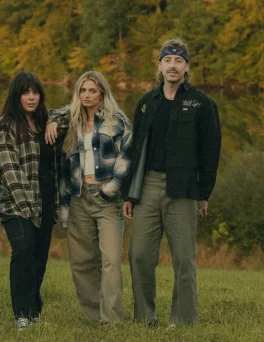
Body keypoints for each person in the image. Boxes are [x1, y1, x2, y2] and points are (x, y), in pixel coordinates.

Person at [122, 38, 221, 328]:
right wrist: (130, 192)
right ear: (160, 65)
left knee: (183, 260)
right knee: (139, 254)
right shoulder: (146, 103)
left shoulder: (202, 103)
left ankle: (184, 320)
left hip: (185, 189)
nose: (173, 66)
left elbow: (211, 151)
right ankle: (145, 318)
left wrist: (204, 193)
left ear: (187, 67)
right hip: (149, 185)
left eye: (179, 61)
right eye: (168, 60)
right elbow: (135, 150)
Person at [45, 71, 132, 323]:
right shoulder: (71, 121)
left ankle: (112, 319)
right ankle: (96, 314)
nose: (87, 95)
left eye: (92, 90)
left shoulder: (117, 121)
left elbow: (127, 155)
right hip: (78, 198)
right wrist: (51, 121)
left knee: (111, 262)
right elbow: (48, 114)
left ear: (102, 93)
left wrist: (111, 189)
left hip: (107, 198)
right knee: (82, 261)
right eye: (82, 90)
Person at [0, 72, 57, 330]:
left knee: (39, 256)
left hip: (46, 197)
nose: (31, 97)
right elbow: (9, 170)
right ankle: (21, 315)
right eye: (25, 92)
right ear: (16, 95)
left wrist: (54, 120)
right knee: (24, 250)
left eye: (35, 92)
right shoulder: (5, 125)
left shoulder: (44, 123)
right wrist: (27, 206)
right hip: (15, 202)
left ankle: (34, 312)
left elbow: (71, 110)